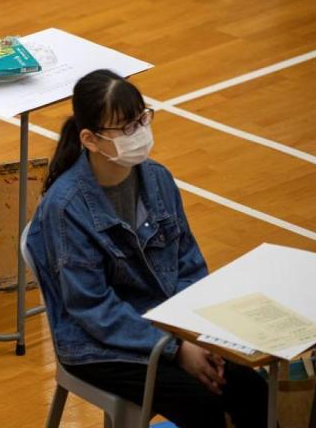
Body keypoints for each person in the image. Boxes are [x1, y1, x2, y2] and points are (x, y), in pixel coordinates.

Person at [26, 69, 268, 427]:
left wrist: (198, 337)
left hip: (170, 325)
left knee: (251, 387)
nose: (138, 134)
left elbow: (189, 265)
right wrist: (174, 349)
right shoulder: (65, 209)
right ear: (90, 139)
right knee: (202, 404)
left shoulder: (158, 179)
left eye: (141, 120)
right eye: (125, 128)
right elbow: (93, 309)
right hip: (99, 345)